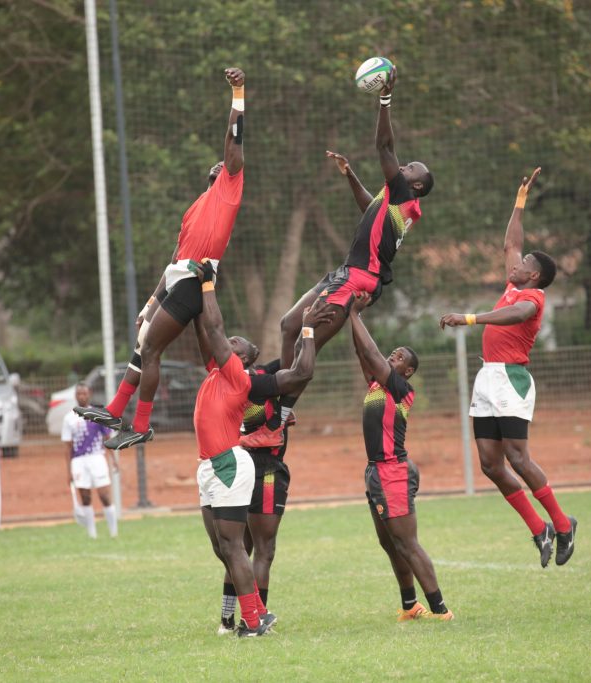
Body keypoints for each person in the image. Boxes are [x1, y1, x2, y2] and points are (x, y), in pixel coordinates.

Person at [241, 66, 434, 450]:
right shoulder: (393, 200)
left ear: (415, 184)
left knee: (307, 345)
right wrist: (349, 175)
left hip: (359, 280)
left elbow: (384, 147)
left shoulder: (404, 195)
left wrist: (384, 99)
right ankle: (282, 402)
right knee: (289, 324)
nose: (404, 164)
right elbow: (368, 208)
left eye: (410, 167)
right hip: (345, 274)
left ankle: (276, 420)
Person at [75, 67, 248, 450]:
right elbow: (174, 257)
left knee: (151, 349)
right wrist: (152, 302)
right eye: (216, 166)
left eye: (225, 164)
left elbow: (234, 141)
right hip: (177, 280)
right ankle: (118, 410)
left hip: (194, 281)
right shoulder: (195, 208)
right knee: (146, 342)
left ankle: (137, 422)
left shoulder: (230, 189)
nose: (221, 165)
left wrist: (238, 93)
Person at [439, 168, 577, 568]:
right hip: (487, 377)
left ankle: (563, 523)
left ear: (533, 275)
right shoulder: (516, 282)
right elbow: (511, 242)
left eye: (523, 264)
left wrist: (469, 319)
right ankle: (539, 529)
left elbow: (514, 314)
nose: (513, 264)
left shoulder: (531, 298)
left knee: (518, 458)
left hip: (511, 379)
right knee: (489, 463)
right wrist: (520, 198)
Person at [191, 260, 333, 636]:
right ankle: (244, 618)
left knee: (239, 548)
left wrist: (208, 284)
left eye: (236, 343)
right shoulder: (218, 371)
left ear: (244, 358)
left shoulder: (239, 376)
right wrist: (189, 293)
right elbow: (205, 328)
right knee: (224, 548)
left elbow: (299, 372)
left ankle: (253, 620)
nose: (228, 341)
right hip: (209, 465)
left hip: (232, 464)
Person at [349, 292, 453, 622]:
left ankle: (440, 610)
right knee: (390, 543)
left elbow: (371, 352)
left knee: (407, 543)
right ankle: (411, 605)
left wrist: (353, 314)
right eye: (392, 354)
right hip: (376, 472)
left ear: (406, 371)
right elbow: (363, 352)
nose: (392, 357)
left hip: (393, 471)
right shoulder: (377, 386)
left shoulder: (400, 389)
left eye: (398, 358)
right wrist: (353, 319)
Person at [216, 356, 294, 634]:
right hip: (264, 469)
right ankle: (255, 620)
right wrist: (311, 329)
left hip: (240, 466)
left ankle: (227, 620)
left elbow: (288, 358)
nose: (233, 343)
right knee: (263, 549)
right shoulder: (254, 384)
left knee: (240, 548)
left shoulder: (231, 382)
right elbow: (298, 365)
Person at [61, 383, 118, 538]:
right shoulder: (69, 418)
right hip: (78, 461)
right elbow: (67, 447)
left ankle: (114, 532)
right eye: (79, 394)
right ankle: (92, 533)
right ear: (75, 396)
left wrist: (113, 459)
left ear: (89, 394)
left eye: (84, 393)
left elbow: (107, 438)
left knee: (104, 494)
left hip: (97, 457)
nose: (82, 396)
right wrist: (68, 471)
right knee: (85, 496)